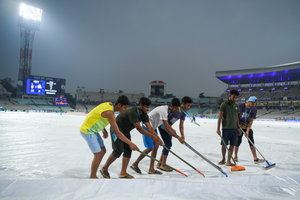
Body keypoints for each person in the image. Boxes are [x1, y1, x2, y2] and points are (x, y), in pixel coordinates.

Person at [100, 97, 163, 179]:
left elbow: (149, 128)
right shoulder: (133, 111)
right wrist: (152, 136)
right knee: (118, 150)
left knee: (128, 150)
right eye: (146, 107)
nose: (148, 109)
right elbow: (139, 128)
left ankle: (123, 172)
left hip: (125, 132)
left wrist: (157, 138)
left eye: (149, 107)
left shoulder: (144, 115)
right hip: (116, 129)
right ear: (140, 105)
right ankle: (104, 169)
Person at [80, 95, 138, 179]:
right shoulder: (110, 113)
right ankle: (92, 176)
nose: (125, 110)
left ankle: (102, 169)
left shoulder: (108, 104)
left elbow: (97, 114)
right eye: (124, 107)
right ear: (119, 105)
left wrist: (103, 129)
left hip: (93, 130)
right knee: (98, 154)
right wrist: (130, 143)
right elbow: (117, 132)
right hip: (87, 131)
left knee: (103, 150)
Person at [131, 98, 183, 174]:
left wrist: (174, 133)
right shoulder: (164, 110)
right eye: (175, 108)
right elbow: (166, 128)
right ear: (171, 106)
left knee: (156, 146)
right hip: (147, 126)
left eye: (177, 108)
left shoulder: (167, 111)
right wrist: (178, 137)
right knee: (150, 148)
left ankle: (151, 168)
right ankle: (135, 164)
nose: (176, 110)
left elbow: (166, 125)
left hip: (153, 128)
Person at [156, 96, 193, 171]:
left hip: (169, 128)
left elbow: (181, 125)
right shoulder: (175, 109)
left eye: (190, 106)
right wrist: (172, 130)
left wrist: (182, 135)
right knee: (168, 144)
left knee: (167, 145)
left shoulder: (184, 113)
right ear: (183, 104)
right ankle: (163, 165)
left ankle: (159, 163)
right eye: (188, 105)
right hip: (163, 126)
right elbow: (165, 121)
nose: (189, 107)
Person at [234, 96, 265, 164]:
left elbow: (251, 121)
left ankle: (255, 158)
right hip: (239, 126)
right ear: (248, 102)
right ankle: (235, 156)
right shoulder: (241, 106)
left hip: (247, 126)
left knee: (251, 142)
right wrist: (237, 126)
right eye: (252, 103)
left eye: (254, 104)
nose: (253, 105)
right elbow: (234, 113)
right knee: (238, 142)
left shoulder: (254, 109)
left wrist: (247, 131)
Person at [216, 89, 241, 166]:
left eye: (236, 97)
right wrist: (218, 128)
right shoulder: (224, 104)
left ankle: (228, 161)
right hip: (226, 128)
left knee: (232, 145)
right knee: (224, 144)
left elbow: (237, 117)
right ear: (230, 95)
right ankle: (223, 159)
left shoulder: (236, 105)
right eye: (233, 97)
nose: (234, 98)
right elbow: (220, 117)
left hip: (234, 129)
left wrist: (238, 127)